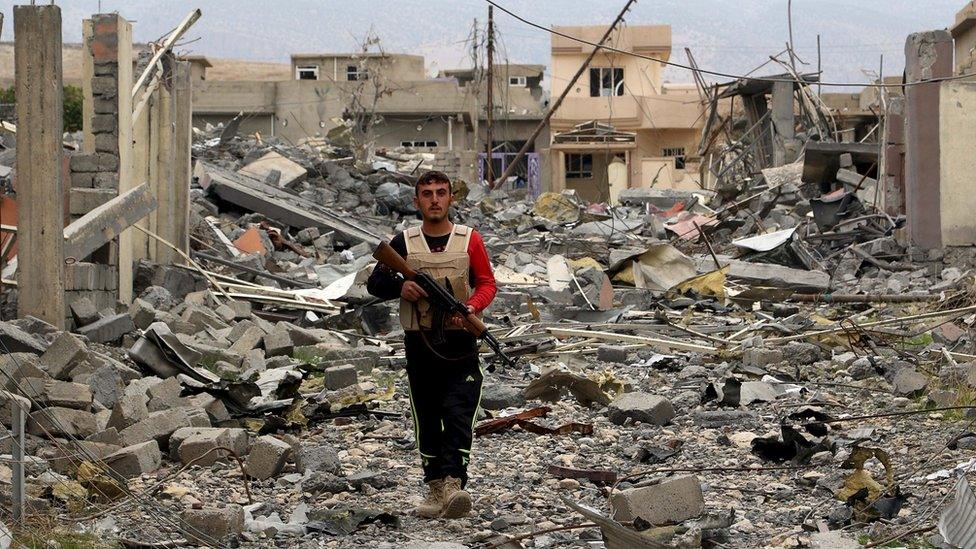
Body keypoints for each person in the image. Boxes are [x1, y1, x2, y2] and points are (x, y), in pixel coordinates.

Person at [366, 170, 497, 519]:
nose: (435, 199)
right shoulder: (404, 243)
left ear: (451, 198)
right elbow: (375, 282)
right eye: (427, 194)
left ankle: (454, 483)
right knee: (427, 415)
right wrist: (400, 288)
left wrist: (470, 308)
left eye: (441, 193)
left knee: (459, 413)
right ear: (416, 201)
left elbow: (486, 283)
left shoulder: (470, 240)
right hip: (420, 345)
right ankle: (436, 485)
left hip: (460, 343)